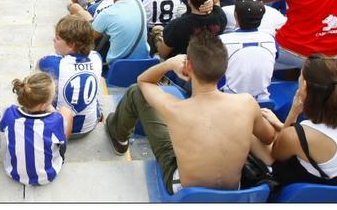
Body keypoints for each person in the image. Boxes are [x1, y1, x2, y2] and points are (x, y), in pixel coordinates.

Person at [104, 31, 277, 195]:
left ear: (188, 66)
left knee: (135, 91)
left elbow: (143, 81)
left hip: (186, 192)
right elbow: (268, 137)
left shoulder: (176, 109)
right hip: (234, 190)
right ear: (224, 68)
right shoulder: (247, 103)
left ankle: (119, 136)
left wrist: (169, 64)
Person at [262, 55, 337, 187]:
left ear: (304, 86)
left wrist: (293, 113)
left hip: (297, 196)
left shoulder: (295, 136)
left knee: (254, 136)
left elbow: (277, 153)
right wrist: (281, 125)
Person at [0, 72, 73, 186]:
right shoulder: (55, 120)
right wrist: (52, 111)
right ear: (44, 105)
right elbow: (61, 141)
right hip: (47, 175)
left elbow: (1, 128)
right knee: (66, 112)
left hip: (13, 172)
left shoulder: (10, 113)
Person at [37, 16, 103, 137]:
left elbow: (40, 62)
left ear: (71, 44)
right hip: (89, 126)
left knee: (38, 86)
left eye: (57, 38)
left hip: (62, 127)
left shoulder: (52, 63)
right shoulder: (97, 57)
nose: (53, 40)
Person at [71, 0, 148, 66]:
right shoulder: (138, 2)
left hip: (117, 68)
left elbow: (88, 38)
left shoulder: (107, 14)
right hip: (143, 63)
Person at [220, 0, 276, 100]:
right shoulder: (270, 40)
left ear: (235, 15)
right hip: (262, 102)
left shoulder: (221, 41)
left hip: (228, 101)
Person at [156, 0, 225, 60]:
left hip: (183, 67)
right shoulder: (220, 16)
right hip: (210, 63)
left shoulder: (177, 25)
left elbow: (163, 54)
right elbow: (216, 0)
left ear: (189, 1)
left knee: (157, 30)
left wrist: (159, 41)